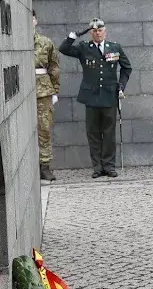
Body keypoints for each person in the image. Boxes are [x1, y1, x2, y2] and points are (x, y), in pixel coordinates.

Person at [59, 18, 132, 179]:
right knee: (93, 133)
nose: (97, 33)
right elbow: (63, 49)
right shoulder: (84, 48)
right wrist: (76, 34)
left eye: (100, 30)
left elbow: (127, 68)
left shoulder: (115, 47)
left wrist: (121, 85)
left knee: (109, 133)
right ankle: (97, 167)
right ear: (91, 32)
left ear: (105, 31)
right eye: (94, 31)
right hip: (91, 97)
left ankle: (109, 166)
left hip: (109, 96)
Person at [33, 10, 61, 181]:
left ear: (35, 21)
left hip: (42, 92)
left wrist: (55, 91)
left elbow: (54, 68)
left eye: (32, 18)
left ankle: (44, 166)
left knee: (44, 129)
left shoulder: (45, 43)